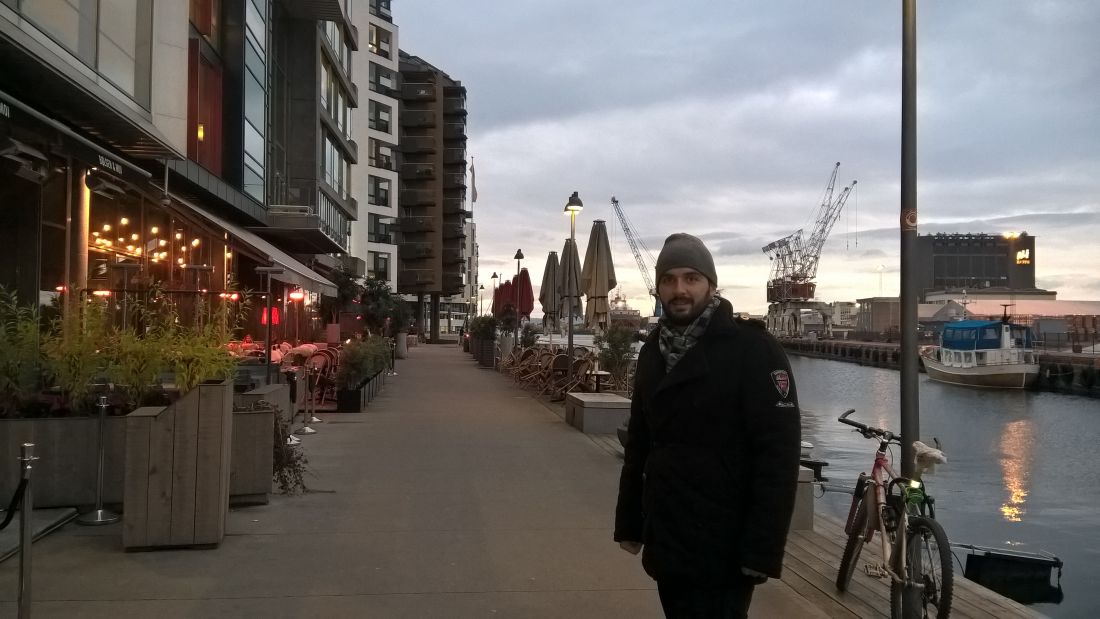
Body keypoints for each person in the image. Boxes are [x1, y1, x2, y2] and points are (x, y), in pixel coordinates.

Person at [614, 233, 802, 618]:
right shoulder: (652, 351)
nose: (679, 289)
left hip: (724, 544)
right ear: (659, 288)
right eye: (669, 280)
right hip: (668, 536)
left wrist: (762, 552)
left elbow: (779, 455)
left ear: (711, 285)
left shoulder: (753, 349)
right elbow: (640, 443)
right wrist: (630, 523)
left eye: (691, 278)